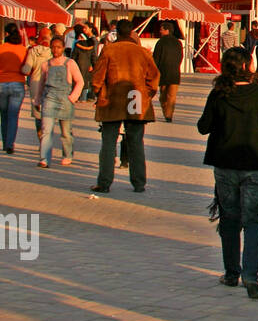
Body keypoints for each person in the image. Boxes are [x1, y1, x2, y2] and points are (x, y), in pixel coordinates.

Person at [198, 46, 258, 300]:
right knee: (252, 221)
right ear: (248, 67)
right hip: (256, 166)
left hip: (226, 165)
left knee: (229, 219)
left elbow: (204, 126)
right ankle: (251, 276)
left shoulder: (219, 93)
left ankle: (231, 272)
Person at [90, 18, 159, 193]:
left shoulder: (109, 50)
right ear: (131, 33)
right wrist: (146, 94)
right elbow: (154, 78)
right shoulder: (142, 52)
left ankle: (104, 183)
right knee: (136, 142)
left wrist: (99, 93)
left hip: (112, 100)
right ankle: (139, 183)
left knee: (108, 143)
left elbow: (97, 78)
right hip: (135, 99)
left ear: (117, 33)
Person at [36, 37, 83, 168]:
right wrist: (38, 99)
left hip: (65, 99)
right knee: (46, 130)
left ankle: (67, 155)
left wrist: (73, 97)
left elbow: (80, 81)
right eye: (53, 47)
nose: (55, 50)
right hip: (49, 98)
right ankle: (44, 158)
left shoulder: (70, 63)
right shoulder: (46, 65)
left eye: (58, 47)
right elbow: (41, 84)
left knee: (66, 132)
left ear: (63, 48)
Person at [0, 24, 28, 154]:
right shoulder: (23, 50)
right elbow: (27, 69)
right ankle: (10, 143)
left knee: (4, 115)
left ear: (6, 34)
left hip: (2, 84)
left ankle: (4, 143)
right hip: (18, 84)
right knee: (13, 115)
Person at [21, 29, 53, 141]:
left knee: (37, 113)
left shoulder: (33, 51)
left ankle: (40, 137)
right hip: (49, 84)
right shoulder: (54, 52)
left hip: (35, 84)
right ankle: (47, 137)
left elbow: (26, 69)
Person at [152, 22, 183, 123]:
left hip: (163, 73)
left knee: (163, 95)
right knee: (172, 96)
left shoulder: (160, 42)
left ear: (167, 30)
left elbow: (156, 58)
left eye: (161, 29)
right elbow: (180, 57)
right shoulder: (178, 43)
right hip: (175, 73)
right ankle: (169, 114)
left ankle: (167, 113)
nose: (160, 31)